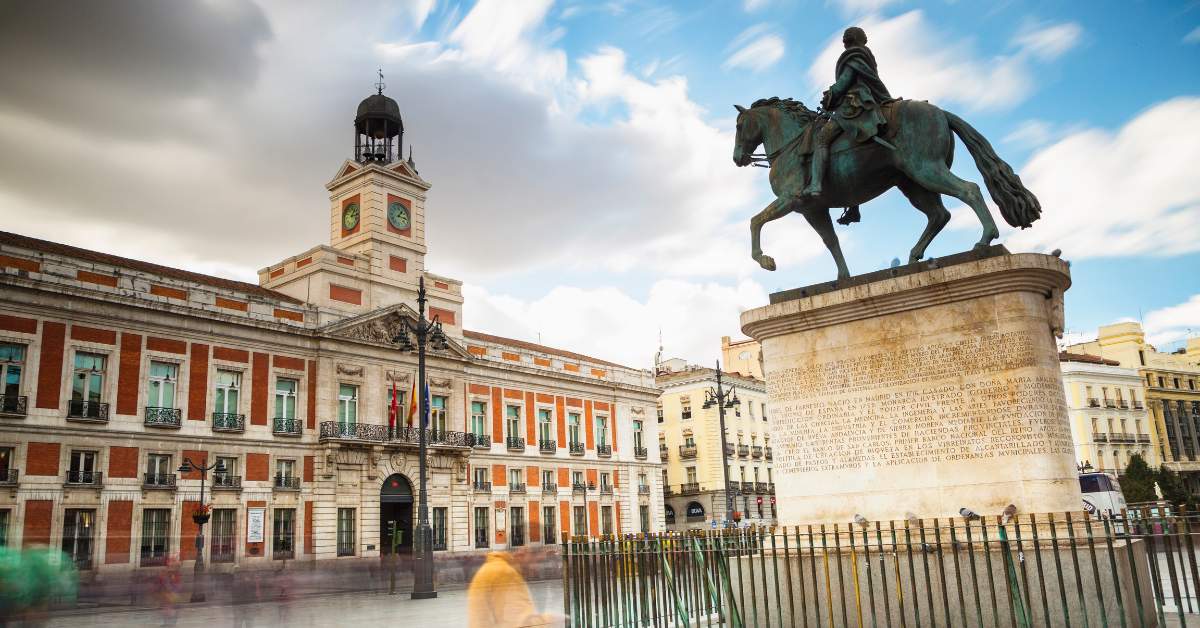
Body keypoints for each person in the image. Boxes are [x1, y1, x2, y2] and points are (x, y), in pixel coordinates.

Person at [803, 26, 894, 223]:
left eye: (845, 38)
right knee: (851, 148)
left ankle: (816, 184)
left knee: (821, 139)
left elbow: (844, 83)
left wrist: (830, 94)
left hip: (854, 107)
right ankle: (853, 207)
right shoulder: (865, 55)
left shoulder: (852, 56)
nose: (843, 41)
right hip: (864, 102)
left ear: (850, 39)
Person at [466, 548, 558, 628]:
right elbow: (520, 623)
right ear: (523, 555)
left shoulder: (493, 567)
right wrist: (554, 621)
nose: (537, 568)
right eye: (537, 561)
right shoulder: (506, 574)